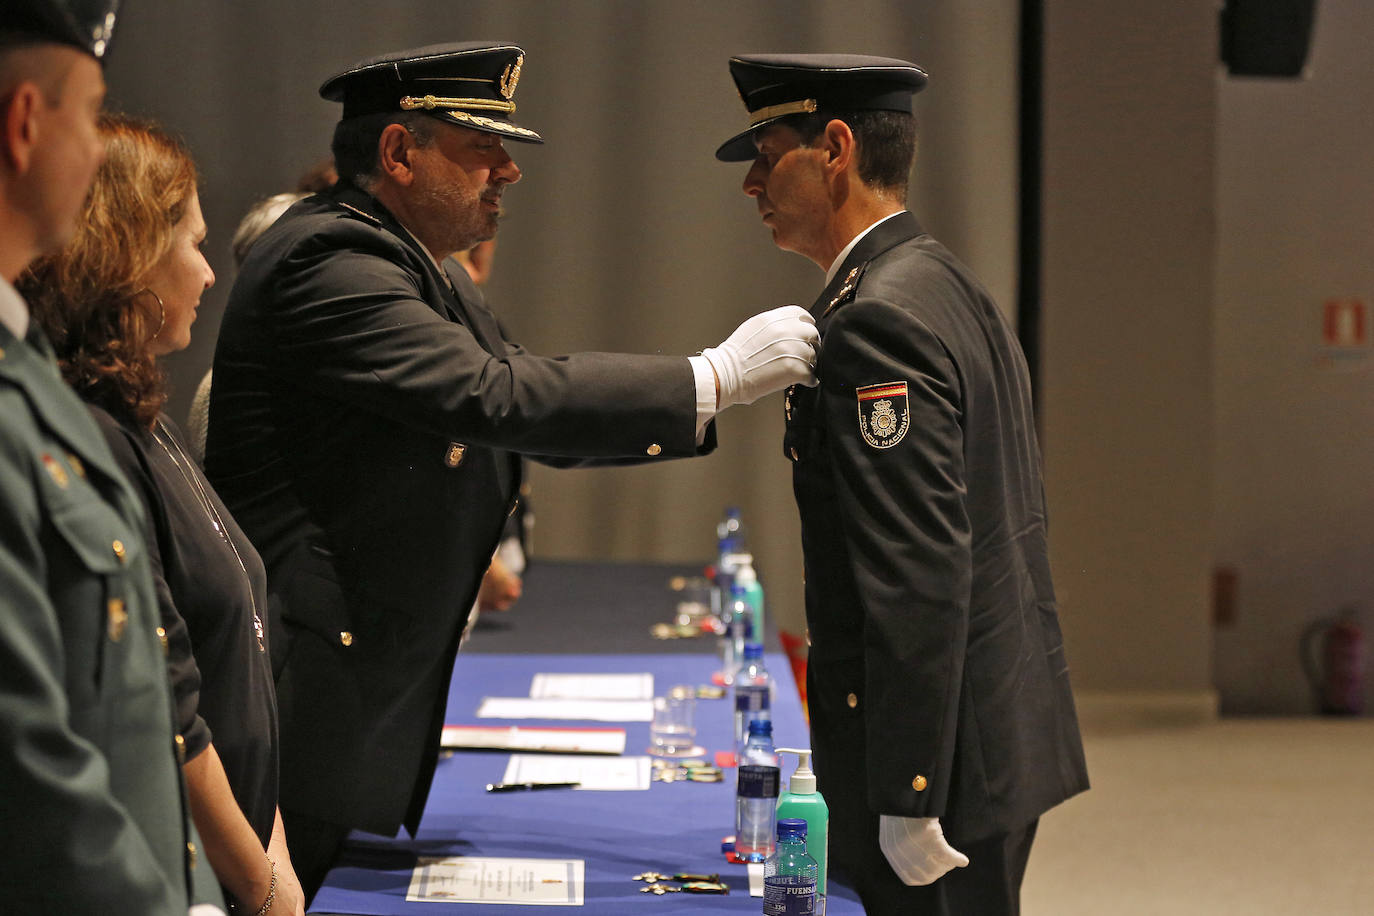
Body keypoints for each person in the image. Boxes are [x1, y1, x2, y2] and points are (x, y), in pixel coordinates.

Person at [204, 41, 819, 901]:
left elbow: (528, 410)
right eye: (482, 148)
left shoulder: (417, 269)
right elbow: (494, 396)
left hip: (351, 685)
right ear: (398, 153)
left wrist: (702, 397)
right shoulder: (329, 261)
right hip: (302, 700)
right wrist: (710, 377)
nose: (508, 172)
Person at [715, 53, 1089, 914]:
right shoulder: (942, 278)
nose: (751, 184)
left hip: (943, 755)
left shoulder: (878, 316)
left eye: (766, 154)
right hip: (992, 720)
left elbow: (917, 565)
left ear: (835, 148)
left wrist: (910, 789)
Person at [21, 113, 305, 915]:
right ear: (131, 255)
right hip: (189, 879)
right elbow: (174, 712)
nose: (211, 274)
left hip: (246, 857)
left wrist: (274, 849)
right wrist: (266, 889)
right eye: (192, 243)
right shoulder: (93, 439)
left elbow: (233, 662)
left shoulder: (147, 422)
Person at [0, 3, 222, 913]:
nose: (98, 157)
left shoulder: (31, 377)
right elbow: (27, 762)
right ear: (24, 124)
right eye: (89, 117)